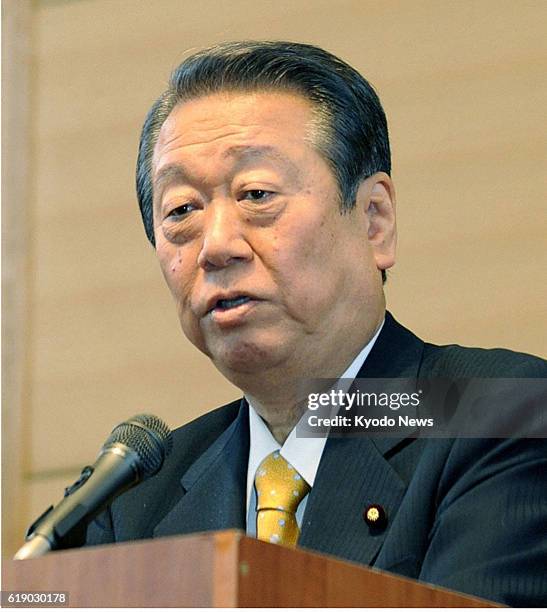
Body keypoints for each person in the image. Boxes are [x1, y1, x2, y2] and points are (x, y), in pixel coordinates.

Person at [85, 41, 547, 606]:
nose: (217, 246)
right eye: (181, 210)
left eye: (256, 194)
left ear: (374, 220)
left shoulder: (499, 414)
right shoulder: (132, 502)